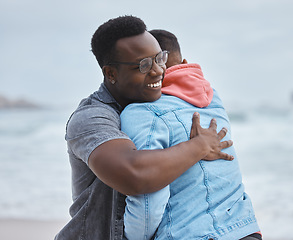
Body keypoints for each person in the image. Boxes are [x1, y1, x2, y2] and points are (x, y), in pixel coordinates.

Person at [55, 16, 234, 240]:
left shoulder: (157, 109)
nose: (158, 71)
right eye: (144, 65)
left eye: (160, 58)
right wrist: (199, 146)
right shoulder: (91, 118)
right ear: (110, 73)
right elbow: (134, 174)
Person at [121, 30, 261, 240]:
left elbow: (148, 202)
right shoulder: (213, 97)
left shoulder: (143, 112)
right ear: (184, 61)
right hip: (245, 229)